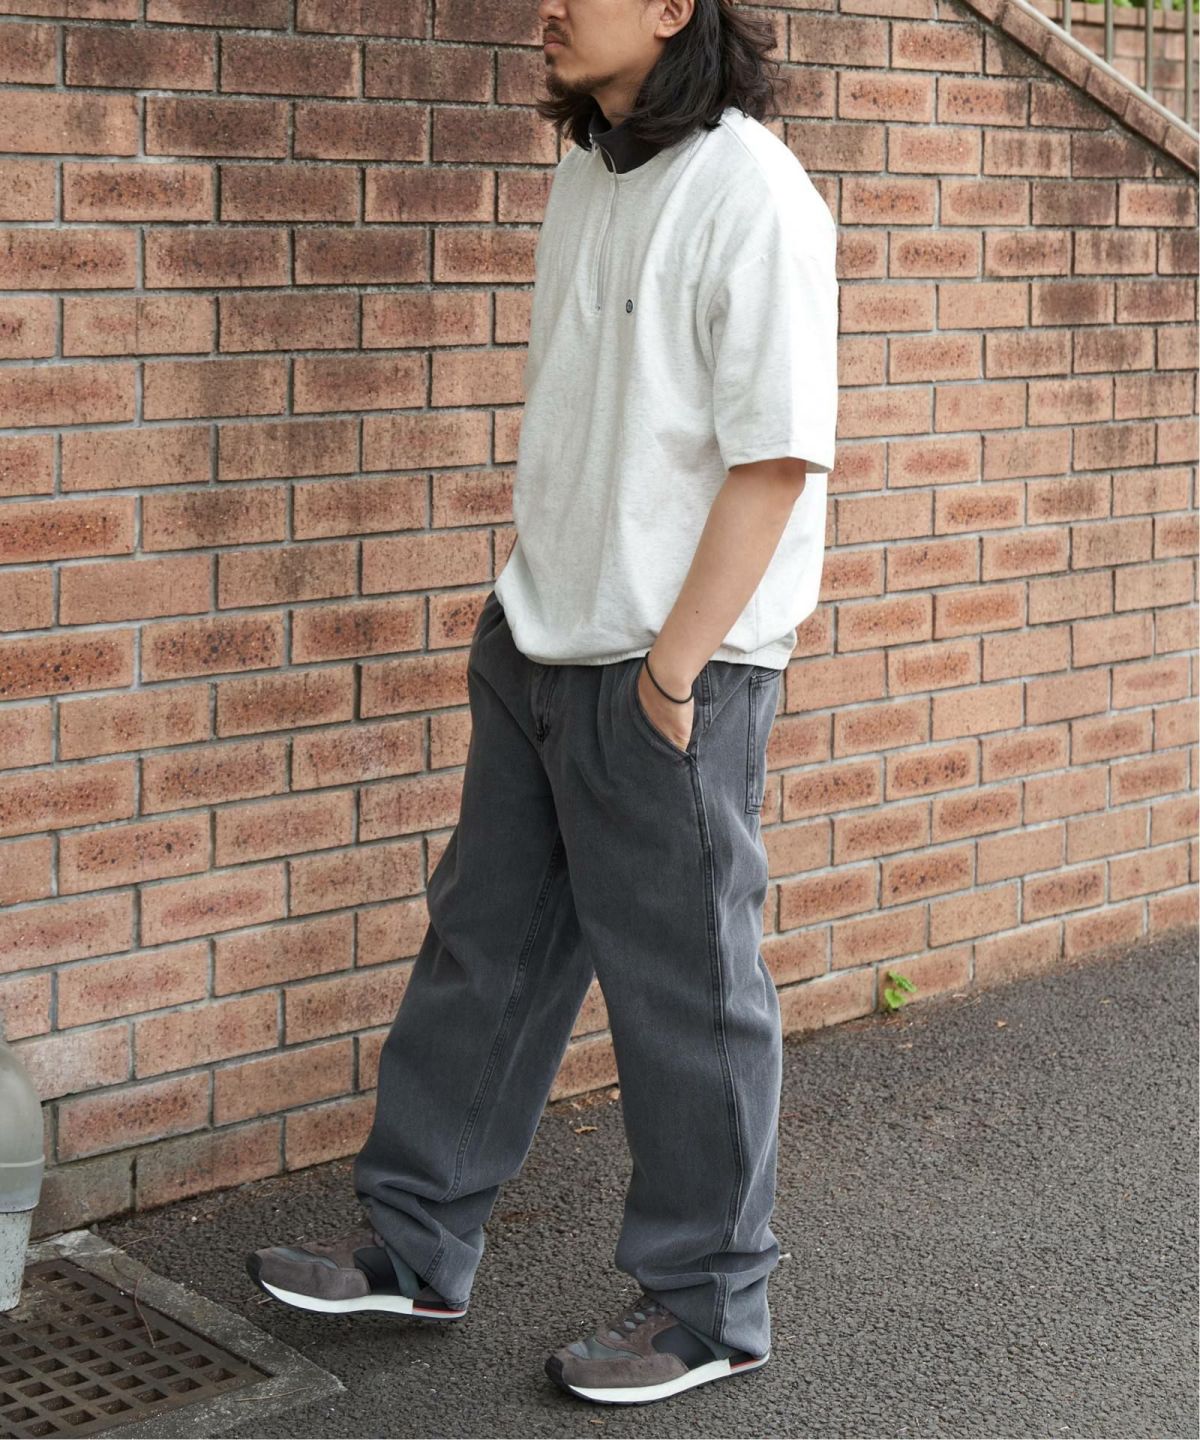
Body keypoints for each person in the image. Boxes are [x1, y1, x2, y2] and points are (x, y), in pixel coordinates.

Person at [247, 0, 838, 1408]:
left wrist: (672, 675)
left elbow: (775, 460)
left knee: (688, 1001)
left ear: (673, 8)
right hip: (538, 642)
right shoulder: (588, 171)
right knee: (483, 955)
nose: (548, 6)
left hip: (669, 672)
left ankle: (708, 1307)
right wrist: (518, 617)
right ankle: (416, 1246)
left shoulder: (753, 192)